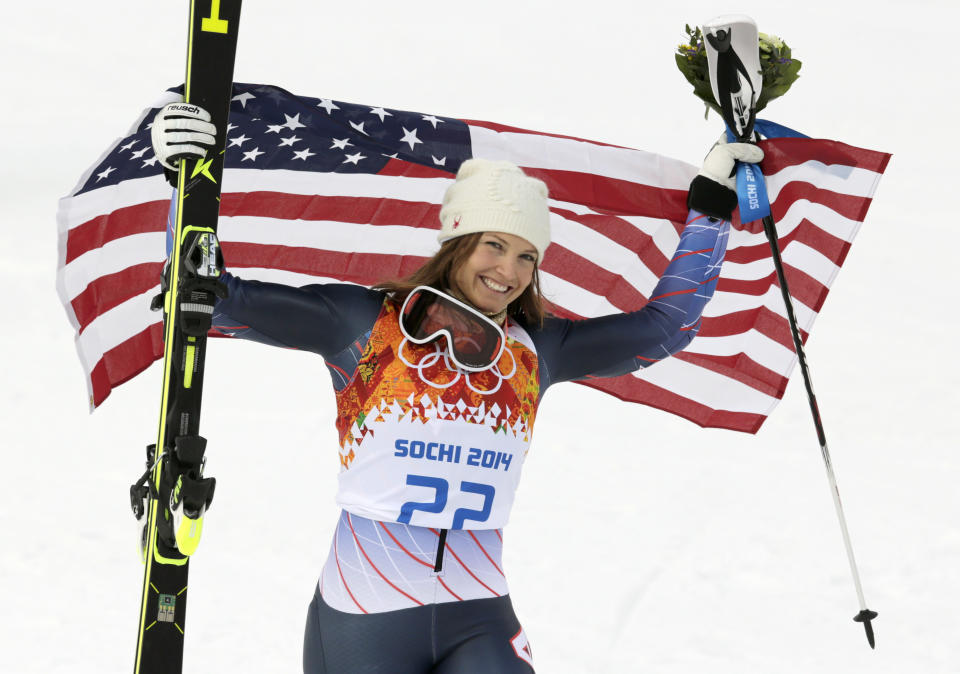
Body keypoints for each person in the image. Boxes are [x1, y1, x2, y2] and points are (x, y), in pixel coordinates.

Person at [151, 102, 762, 673]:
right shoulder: (365, 325)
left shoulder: (538, 350)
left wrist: (711, 209)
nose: (509, 272)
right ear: (457, 242)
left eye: (528, 257)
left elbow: (666, 328)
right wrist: (185, 180)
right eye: (494, 245)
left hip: (480, 614)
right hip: (366, 619)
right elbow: (205, 297)